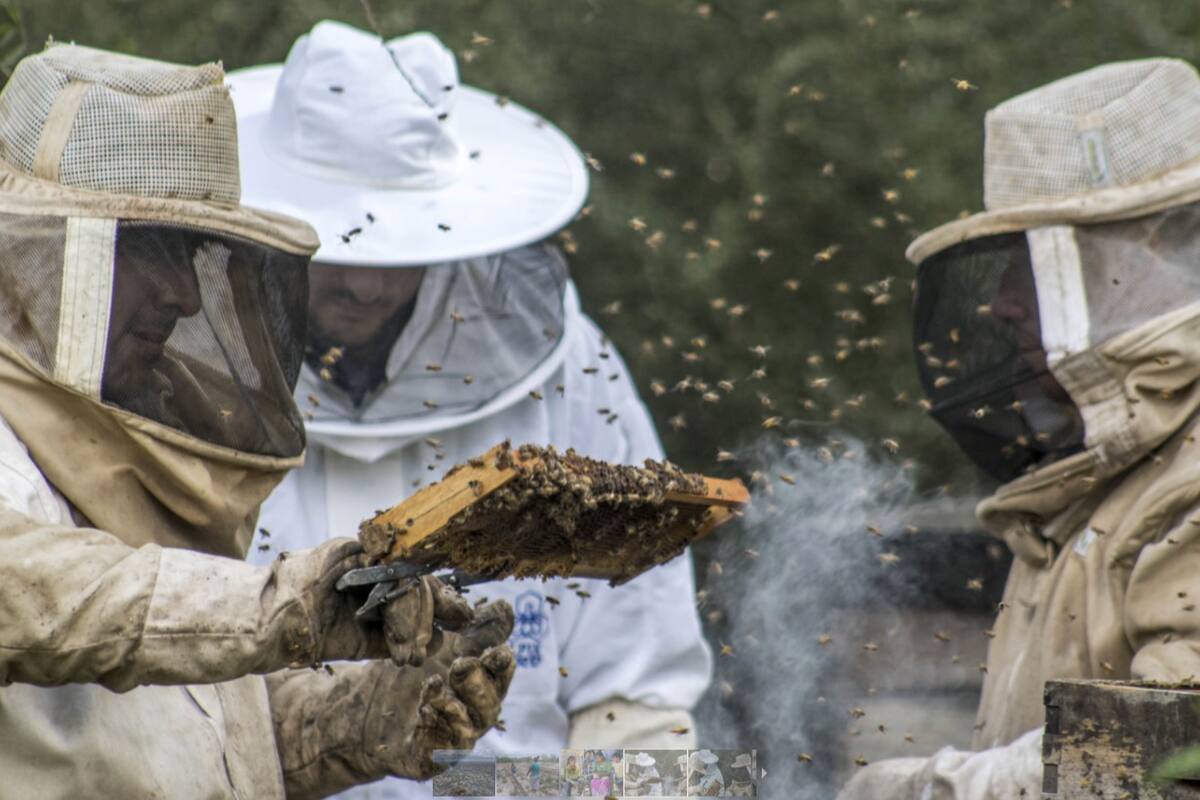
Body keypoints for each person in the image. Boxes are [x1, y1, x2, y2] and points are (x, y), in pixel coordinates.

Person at [0, 41, 514, 799]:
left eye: (195, 254)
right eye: (154, 251)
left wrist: (357, 723)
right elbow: (52, 598)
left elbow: (188, 727)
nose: (184, 294)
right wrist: (285, 605)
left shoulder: (132, 424)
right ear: (42, 254)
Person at [232, 20, 712, 799]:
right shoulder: (184, 371)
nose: (365, 287)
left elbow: (637, 687)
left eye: (395, 253)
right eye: (341, 250)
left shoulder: (567, 369)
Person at [840, 57, 1200, 798]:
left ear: (1141, 255)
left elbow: (1175, 748)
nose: (1004, 304)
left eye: (1033, 264)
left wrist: (929, 792)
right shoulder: (1111, 467)